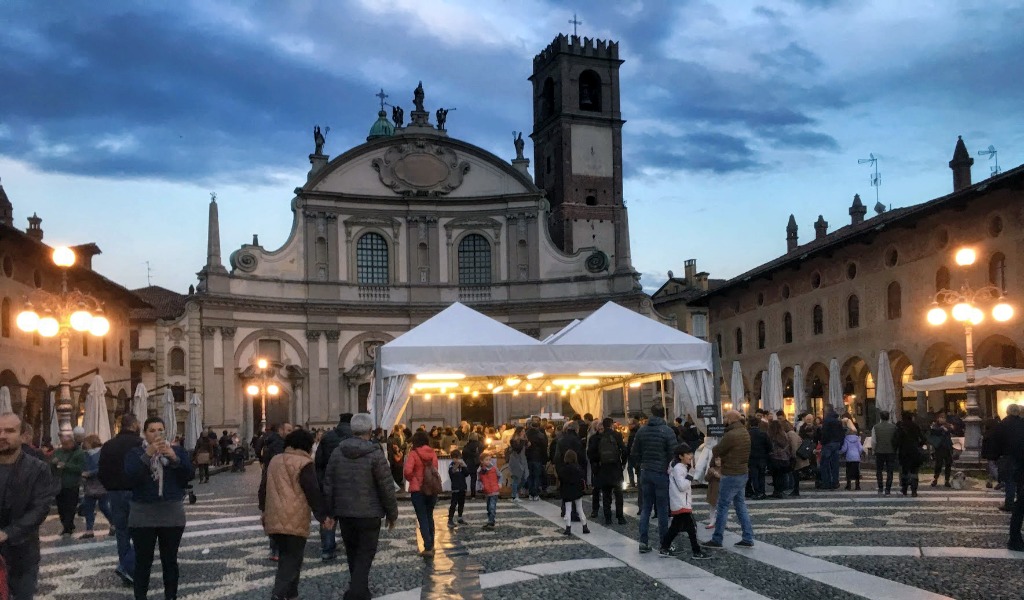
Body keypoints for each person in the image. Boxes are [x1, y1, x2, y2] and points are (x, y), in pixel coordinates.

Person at [323, 413, 397, 599]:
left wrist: (329, 513)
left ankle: (360, 589)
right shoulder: (375, 454)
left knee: (352, 552)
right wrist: (392, 513)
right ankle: (356, 591)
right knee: (366, 553)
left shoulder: (337, 452)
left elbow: (329, 484)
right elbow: (386, 486)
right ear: (370, 431)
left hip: (345, 512)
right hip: (370, 512)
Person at [125, 417, 194, 600]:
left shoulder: (177, 450)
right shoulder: (134, 453)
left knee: (170, 560)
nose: (157, 434)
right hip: (142, 514)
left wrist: (174, 458)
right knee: (143, 562)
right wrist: (147, 455)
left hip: (171, 514)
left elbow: (188, 474)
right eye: (152, 430)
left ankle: (170, 597)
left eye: (160, 430)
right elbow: (131, 477)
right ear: (145, 434)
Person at [259, 428, 330, 600]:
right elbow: (312, 491)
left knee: (288, 557)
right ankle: (279, 594)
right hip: (294, 518)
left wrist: (263, 511)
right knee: (291, 559)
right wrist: (323, 517)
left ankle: (291, 595)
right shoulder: (304, 464)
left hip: (274, 517)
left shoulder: (275, 460)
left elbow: (263, 488)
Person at [0, 413, 58, 599]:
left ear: (22, 435)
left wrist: (8, 533)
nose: (2, 436)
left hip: (22, 552)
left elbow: (40, 508)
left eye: (9, 431)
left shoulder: (37, 469)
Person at [99, 414, 143, 585]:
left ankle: (127, 567)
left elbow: (101, 471)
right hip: (136, 492)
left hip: (115, 493)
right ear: (133, 425)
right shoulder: (140, 444)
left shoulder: (108, 446)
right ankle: (127, 566)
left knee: (122, 532)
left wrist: (110, 487)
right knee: (142, 531)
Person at [705, 410, 755, 549]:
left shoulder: (731, 434)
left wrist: (721, 453)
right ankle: (747, 537)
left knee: (722, 506)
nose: (724, 419)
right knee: (740, 505)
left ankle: (717, 539)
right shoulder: (744, 432)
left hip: (731, 474)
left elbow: (717, 450)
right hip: (742, 473)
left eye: (726, 417)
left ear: (731, 419)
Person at [632, 405, 676, 553]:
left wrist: (640, 466)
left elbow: (634, 452)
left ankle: (643, 542)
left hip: (645, 471)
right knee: (662, 509)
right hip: (661, 472)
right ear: (663, 414)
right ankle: (664, 543)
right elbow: (673, 453)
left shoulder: (642, 430)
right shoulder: (668, 431)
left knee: (646, 508)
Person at [661, 443, 711, 560]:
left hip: (680, 502)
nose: (691, 456)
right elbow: (682, 486)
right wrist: (690, 475)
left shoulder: (678, 467)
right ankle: (696, 551)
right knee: (691, 528)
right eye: (688, 454)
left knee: (675, 528)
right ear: (681, 456)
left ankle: (664, 547)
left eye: (691, 453)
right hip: (681, 502)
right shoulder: (679, 468)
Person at [315, 413, 353, 562]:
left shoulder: (327, 437)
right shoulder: (356, 438)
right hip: (350, 483)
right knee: (349, 518)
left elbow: (318, 462)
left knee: (329, 515)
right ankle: (351, 546)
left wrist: (321, 481)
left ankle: (327, 548)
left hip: (329, 482)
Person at [404, 430, 440, 554]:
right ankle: (432, 544)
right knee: (429, 515)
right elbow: (435, 469)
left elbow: (407, 471)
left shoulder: (413, 454)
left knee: (422, 517)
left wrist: (413, 480)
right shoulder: (433, 453)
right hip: (431, 488)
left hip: (418, 489)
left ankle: (428, 546)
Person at [589, 417, 627, 525]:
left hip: (603, 469)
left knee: (606, 494)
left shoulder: (596, 438)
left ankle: (608, 518)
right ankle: (620, 517)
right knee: (618, 493)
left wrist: (597, 465)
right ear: (611, 425)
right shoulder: (617, 435)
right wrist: (623, 463)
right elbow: (624, 451)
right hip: (616, 468)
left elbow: (591, 455)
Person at [51, 434, 85, 536]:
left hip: (72, 484)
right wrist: (53, 463)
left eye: (66, 444)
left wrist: (66, 466)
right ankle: (67, 524)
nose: (63, 446)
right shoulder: (58, 452)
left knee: (70, 506)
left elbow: (80, 468)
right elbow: (52, 468)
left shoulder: (79, 453)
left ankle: (67, 527)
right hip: (59, 484)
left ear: (72, 442)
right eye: (62, 444)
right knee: (61, 507)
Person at [79, 434, 112, 539]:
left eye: (86, 442)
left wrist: (90, 473)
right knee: (88, 508)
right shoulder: (85, 455)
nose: (84, 445)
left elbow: (103, 468)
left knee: (104, 507)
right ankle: (89, 530)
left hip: (101, 484)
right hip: (89, 486)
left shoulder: (102, 453)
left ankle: (114, 523)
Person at [997, 405, 1024, 512]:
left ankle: (1009, 503)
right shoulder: (1022, 423)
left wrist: (997, 455)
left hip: (1008, 455)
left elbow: (998, 441)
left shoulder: (1003, 424)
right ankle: (1020, 502)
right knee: (1020, 480)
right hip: (1021, 455)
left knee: (1010, 480)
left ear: (1007, 412)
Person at [557, 449, 590, 536]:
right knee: (580, 509)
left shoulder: (563, 469)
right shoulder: (578, 468)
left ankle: (568, 528)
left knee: (568, 510)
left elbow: (560, 477)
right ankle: (585, 526)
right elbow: (582, 477)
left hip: (567, 492)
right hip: (577, 492)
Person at [895, 412, 927, 497]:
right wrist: (918, 445)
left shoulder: (900, 427)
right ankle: (914, 491)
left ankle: (904, 489)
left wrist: (897, 448)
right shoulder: (915, 426)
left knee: (905, 471)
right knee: (914, 472)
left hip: (903, 452)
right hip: (914, 451)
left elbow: (896, 440)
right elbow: (923, 438)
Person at [871, 411, 897, 495]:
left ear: (880, 417)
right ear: (889, 417)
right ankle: (888, 489)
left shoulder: (875, 427)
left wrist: (874, 450)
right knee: (890, 471)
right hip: (891, 451)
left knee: (879, 470)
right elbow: (895, 440)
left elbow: (873, 441)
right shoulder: (893, 427)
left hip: (879, 451)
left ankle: (880, 487)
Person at [818, 410, 845, 490]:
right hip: (836, 444)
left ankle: (826, 483)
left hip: (828, 444)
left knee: (825, 464)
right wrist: (840, 444)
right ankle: (835, 482)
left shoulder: (826, 421)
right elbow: (842, 434)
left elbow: (824, 433)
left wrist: (823, 442)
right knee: (835, 464)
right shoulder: (838, 422)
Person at [767, 420, 793, 499]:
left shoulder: (771, 436)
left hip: (774, 458)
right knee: (781, 475)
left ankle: (776, 491)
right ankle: (780, 491)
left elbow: (770, 447)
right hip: (784, 458)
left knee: (775, 476)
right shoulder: (784, 434)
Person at [929, 415, 954, 488]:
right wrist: (941, 429)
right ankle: (935, 478)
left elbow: (952, 430)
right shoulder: (935, 425)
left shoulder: (947, 425)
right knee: (938, 464)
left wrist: (949, 428)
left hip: (947, 447)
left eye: (944, 418)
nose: (943, 419)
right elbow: (933, 431)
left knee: (948, 464)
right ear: (938, 418)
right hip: (939, 448)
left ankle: (947, 480)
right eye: (941, 417)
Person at [525, 419, 548, 501]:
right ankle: (536, 494)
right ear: (538, 426)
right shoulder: (541, 435)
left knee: (530, 476)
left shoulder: (526, 434)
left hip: (528, 458)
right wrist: (545, 459)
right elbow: (544, 448)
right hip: (538, 458)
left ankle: (531, 494)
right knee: (537, 476)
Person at [748, 419, 770, 499]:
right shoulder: (763, 434)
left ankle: (757, 492)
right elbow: (769, 446)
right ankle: (762, 492)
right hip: (762, 458)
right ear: (758, 425)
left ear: (750, 425)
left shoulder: (748, 434)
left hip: (752, 458)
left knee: (754, 476)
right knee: (761, 476)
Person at [448, 449, 469, 528]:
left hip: (462, 486)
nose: (457, 460)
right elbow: (451, 473)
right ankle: (450, 519)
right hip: (455, 487)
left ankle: (460, 517)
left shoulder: (462, 465)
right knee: (453, 503)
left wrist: (464, 466)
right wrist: (457, 464)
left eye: (458, 458)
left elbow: (467, 474)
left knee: (461, 503)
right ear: (453, 458)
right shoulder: (451, 465)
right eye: (455, 458)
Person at [840, 419, 863, 490]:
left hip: (849, 457)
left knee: (848, 471)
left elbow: (844, 449)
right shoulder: (857, 439)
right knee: (857, 471)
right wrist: (859, 454)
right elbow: (861, 448)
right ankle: (857, 485)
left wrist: (840, 451)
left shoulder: (846, 439)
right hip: (856, 457)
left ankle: (848, 485)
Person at [478, 451, 500, 529]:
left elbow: (500, 475)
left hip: (494, 490)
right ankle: (490, 520)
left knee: (492, 506)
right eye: (486, 460)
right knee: (488, 507)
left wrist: (499, 483)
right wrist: (481, 486)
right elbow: (479, 480)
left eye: (489, 460)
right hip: (487, 491)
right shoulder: (480, 471)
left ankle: (491, 522)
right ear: (482, 461)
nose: (488, 461)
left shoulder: (494, 468)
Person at [506, 427, 528, 502]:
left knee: (524, 478)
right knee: (516, 478)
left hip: (523, 460)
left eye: (524, 431)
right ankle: (514, 495)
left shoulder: (524, 440)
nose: (524, 433)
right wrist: (522, 441)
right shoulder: (513, 440)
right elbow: (517, 449)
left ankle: (516, 492)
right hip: (515, 460)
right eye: (522, 431)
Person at [463, 433, 482, 500]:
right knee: (476, 478)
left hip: (469, 463)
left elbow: (463, 455)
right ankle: (475, 493)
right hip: (477, 463)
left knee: (468, 479)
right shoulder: (479, 444)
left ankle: (468, 493)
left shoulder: (467, 446)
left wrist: (466, 461)